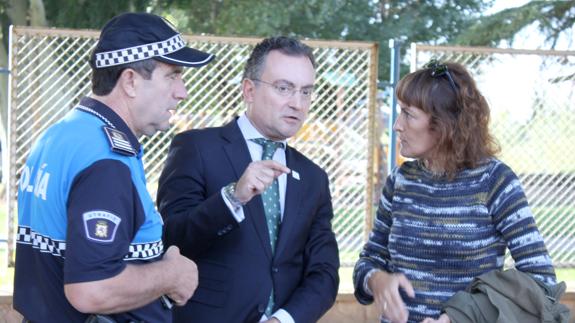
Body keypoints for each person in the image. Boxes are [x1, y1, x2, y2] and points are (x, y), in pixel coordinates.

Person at [13, 12, 214, 322]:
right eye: (172, 75)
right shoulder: (105, 159)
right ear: (131, 80)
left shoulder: (61, 135)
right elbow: (91, 289)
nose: (182, 92)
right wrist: (171, 275)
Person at [353, 60, 557, 323]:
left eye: (408, 113)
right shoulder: (400, 181)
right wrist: (376, 279)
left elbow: (541, 282)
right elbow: (369, 260)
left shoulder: (495, 181)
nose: (397, 125)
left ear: (444, 124)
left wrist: (459, 316)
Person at [156, 36, 340, 323]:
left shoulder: (314, 178)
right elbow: (173, 239)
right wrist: (232, 198)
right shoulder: (196, 148)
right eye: (284, 88)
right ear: (249, 90)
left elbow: (324, 273)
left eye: (306, 92)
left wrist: (285, 319)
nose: (297, 103)